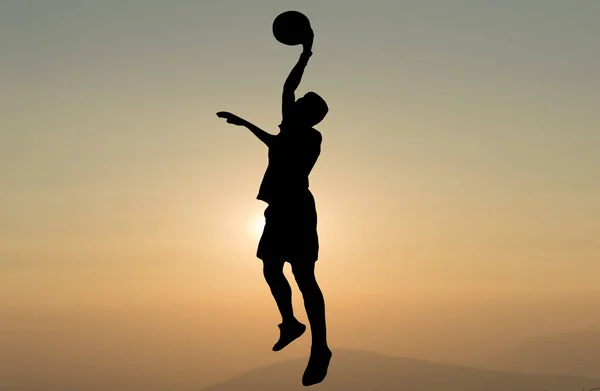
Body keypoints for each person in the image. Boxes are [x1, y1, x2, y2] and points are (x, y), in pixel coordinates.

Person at [216, 28, 331, 387]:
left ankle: (321, 347)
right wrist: (245, 123)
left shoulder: (309, 137)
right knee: (269, 268)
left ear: (307, 115)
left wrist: (305, 55)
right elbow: (277, 134)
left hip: (296, 210)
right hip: (279, 210)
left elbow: (286, 95)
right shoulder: (291, 134)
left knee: (304, 277)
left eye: (297, 106)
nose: (290, 106)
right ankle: (291, 323)